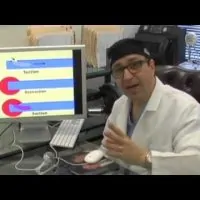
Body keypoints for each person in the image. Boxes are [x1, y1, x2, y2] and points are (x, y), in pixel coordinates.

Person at [100, 38, 200, 175]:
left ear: (151, 66)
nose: (127, 76)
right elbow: (107, 150)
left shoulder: (186, 108)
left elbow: (195, 165)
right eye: (118, 69)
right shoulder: (120, 104)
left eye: (135, 65)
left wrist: (143, 158)